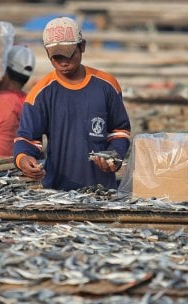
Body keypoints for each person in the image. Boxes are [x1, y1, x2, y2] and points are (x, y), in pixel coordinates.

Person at [13, 17, 131, 190]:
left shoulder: (107, 85)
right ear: (47, 53)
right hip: (58, 189)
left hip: (103, 189)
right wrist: (23, 158)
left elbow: (120, 131)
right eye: (56, 57)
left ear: (82, 46)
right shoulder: (40, 93)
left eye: (69, 54)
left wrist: (115, 155)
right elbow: (28, 138)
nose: (63, 62)